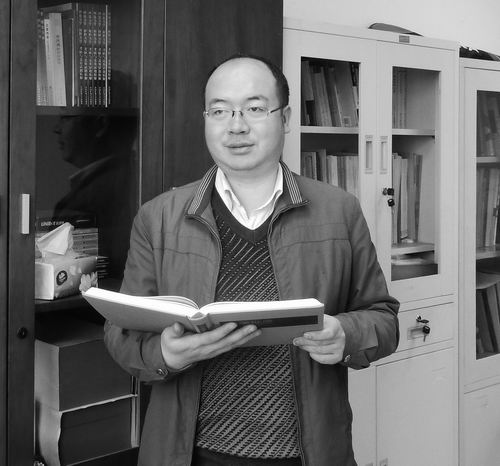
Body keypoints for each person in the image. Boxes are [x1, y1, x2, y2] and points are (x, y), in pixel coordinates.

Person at [104, 54, 400, 466]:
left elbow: (383, 319)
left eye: (255, 108)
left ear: (286, 118)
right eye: (219, 111)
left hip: (307, 455)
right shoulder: (159, 218)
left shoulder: (339, 211)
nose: (236, 126)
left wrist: (345, 335)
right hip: (189, 455)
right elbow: (120, 333)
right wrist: (166, 355)